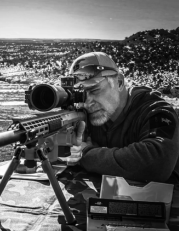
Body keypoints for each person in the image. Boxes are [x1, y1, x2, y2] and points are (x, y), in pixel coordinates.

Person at [70, 51, 179, 183]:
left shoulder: (156, 110)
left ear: (119, 82)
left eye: (94, 90)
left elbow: (157, 163)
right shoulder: (85, 114)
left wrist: (86, 154)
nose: (87, 102)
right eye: (81, 95)